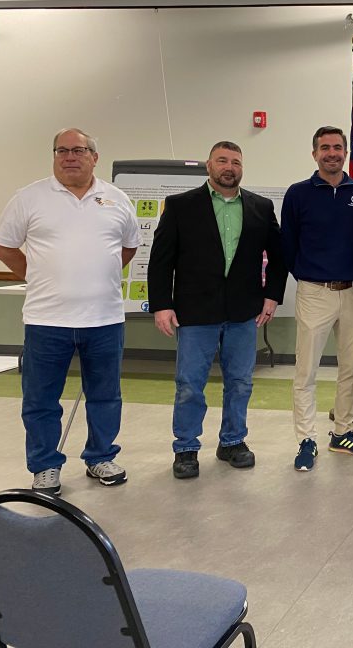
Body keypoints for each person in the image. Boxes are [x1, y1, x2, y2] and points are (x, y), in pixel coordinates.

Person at [0, 127, 140, 495]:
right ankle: (45, 467)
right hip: (46, 321)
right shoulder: (29, 198)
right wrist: (39, 276)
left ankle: (100, 457)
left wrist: (95, 275)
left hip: (104, 320)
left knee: (105, 395)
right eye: (61, 150)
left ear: (94, 157)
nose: (69, 156)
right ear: (54, 156)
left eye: (78, 150)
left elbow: (128, 249)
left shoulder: (117, 199)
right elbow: (4, 248)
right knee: (41, 400)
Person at [147, 141, 287, 479]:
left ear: (242, 168)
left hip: (244, 312)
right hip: (195, 312)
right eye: (222, 160)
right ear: (208, 166)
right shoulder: (181, 206)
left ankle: (233, 441)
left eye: (235, 162)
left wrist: (272, 297)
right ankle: (186, 448)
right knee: (190, 384)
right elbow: (161, 260)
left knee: (240, 382)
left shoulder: (260, 207)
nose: (229, 167)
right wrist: (162, 304)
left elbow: (279, 256)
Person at [280, 125, 353, 471]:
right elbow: (287, 246)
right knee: (305, 371)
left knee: (349, 368)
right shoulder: (298, 194)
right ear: (314, 153)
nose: (332, 153)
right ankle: (307, 439)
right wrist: (309, 275)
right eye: (325, 148)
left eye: (338, 147)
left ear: (346, 152)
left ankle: (343, 433)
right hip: (314, 293)